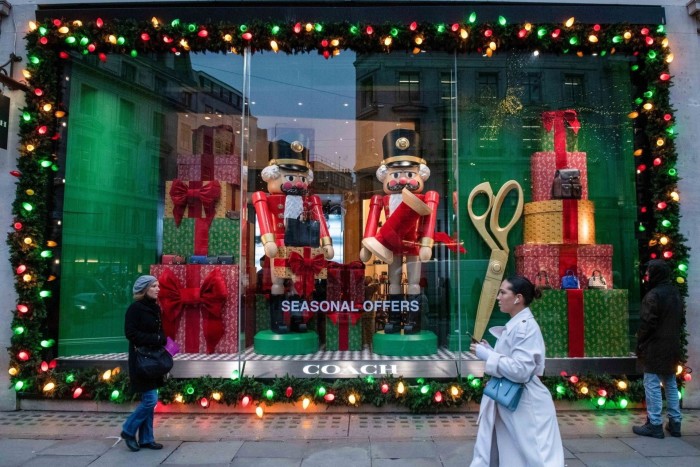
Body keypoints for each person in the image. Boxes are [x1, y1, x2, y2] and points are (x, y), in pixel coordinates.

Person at [470, 275, 564, 466]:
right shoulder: (519, 324)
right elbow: (514, 361)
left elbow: (521, 369)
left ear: (517, 298)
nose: (498, 297)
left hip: (523, 403)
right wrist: (491, 351)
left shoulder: (524, 327)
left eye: (503, 292)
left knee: (535, 456)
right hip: (514, 402)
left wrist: (489, 356)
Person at [633, 259, 683, 438]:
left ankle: (654, 423)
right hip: (671, 344)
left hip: (654, 345)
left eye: (648, 273)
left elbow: (648, 323)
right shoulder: (674, 293)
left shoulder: (653, 295)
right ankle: (675, 422)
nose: (646, 276)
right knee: (670, 381)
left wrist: (640, 341)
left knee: (652, 382)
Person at [120, 275, 167, 452]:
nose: (158, 289)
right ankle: (128, 430)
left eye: (158, 286)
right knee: (150, 399)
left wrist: (164, 342)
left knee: (149, 399)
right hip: (141, 360)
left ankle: (147, 438)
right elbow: (130, 333)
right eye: (154, 286)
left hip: (153, 360)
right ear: (144, 289)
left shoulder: (155, 308)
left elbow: (159, 331)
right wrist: (155, 338)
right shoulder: (135, 309)